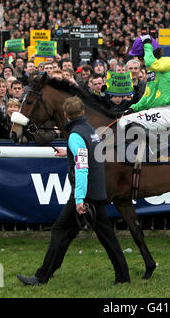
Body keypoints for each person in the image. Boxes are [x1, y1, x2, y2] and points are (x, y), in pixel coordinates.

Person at [17, 96, 130, 286]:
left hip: (85, 195)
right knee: (103, 235)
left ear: (65, 115)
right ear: (83, 113)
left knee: (60, 230)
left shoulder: (76, 135)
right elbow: (89, 154)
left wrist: (79, 199)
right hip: (95, 191)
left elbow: (82, 167)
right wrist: (68, 152)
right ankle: (123, 277)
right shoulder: (89, 130)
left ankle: (41, 277)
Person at [119, 35, 170, 132]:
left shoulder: (169, 61)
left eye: (140, 57)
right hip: (154, 112)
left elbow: (152, 63)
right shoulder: (151, 72)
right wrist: (133, 108)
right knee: (125, 118)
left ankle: (157, 143)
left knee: (124, 121)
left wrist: (147, 45)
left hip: (166, 112)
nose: (140, 60)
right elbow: (147, 97)